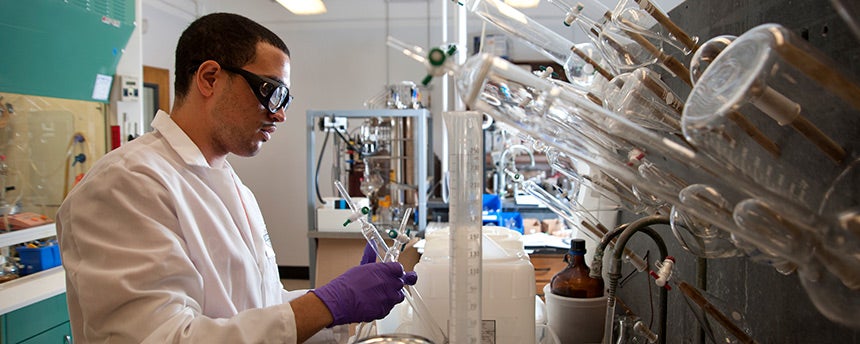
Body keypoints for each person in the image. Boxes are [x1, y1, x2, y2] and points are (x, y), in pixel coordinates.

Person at [56, 12, 416, 343]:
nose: (280, 115)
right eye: (271, 92)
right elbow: (160, 336)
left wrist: (340, 306)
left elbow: (261, 307)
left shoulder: (232, 186)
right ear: (210, 78)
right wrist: (328, 303)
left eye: (285, 99)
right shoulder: (125, 183)